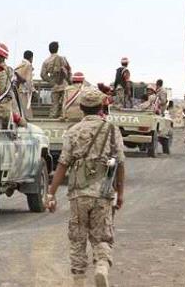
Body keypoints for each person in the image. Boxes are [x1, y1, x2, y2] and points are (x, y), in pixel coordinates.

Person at [45, 88, 126, 287]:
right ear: (101, 108)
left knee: (77, 238)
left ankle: (79, 281)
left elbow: (62, 164)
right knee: (103, 235)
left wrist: (51, 193)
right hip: (104, 192)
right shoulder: (111, 130)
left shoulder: (73, 131)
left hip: (78, 193)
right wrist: (120, 193)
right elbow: (121, 163)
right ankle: (101, 267)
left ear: (81, 108)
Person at [41, 41, 71, 118]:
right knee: (65, 104)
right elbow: (68, 70)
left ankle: (52, 120)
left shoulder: (46, 61)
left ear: (49, 49)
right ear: (57, 48)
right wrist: (69, 81)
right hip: (64, 84)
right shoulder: (63, 59)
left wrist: (52, 82)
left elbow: (43, 74)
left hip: (54, 86)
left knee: (54, 104)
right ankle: (63, 118)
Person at [15, 50, 34, 119]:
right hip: (24, 91)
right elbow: (28, 80)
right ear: (31, 57)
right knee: (27, 111)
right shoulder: (28, 65)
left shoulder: (20, 65)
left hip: (18, 89)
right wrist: (32, 90)